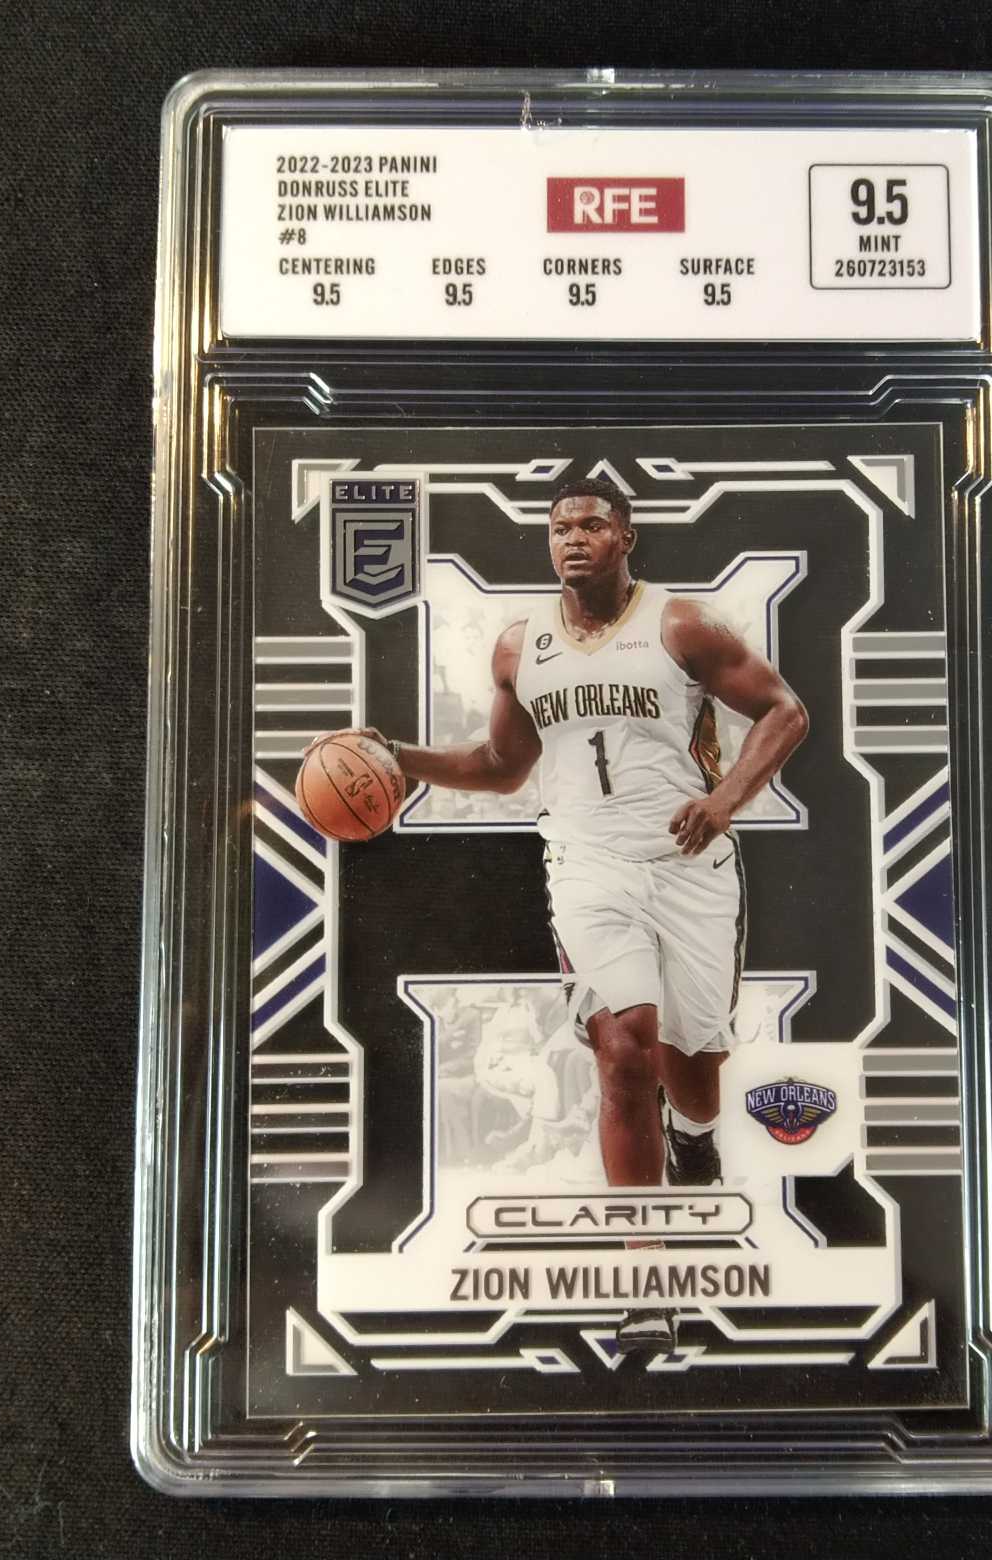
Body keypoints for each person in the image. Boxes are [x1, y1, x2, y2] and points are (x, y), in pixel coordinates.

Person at [349, 477, 808, 1353]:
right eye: (560, 526)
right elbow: (500, 766)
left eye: (592, 524)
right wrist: (397, 756)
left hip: (690, 866)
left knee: (694, 1063)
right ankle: (645, 1276)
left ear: (625, 537)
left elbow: (785, 712)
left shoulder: (680, 626)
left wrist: (725, 802)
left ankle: (696, 1137)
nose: (573, 538)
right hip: (587, 869)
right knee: (624, 1050)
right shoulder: (521, 648)